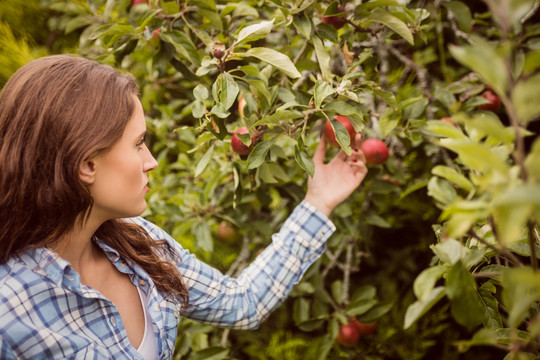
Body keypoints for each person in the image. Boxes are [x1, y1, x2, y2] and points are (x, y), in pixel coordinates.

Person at [0, 54, 367, 360]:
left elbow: (243, 303)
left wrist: (318, 201)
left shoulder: (139, 246)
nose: (152, 161)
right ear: (86, 163)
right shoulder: (10, 312)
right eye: (139, 143)